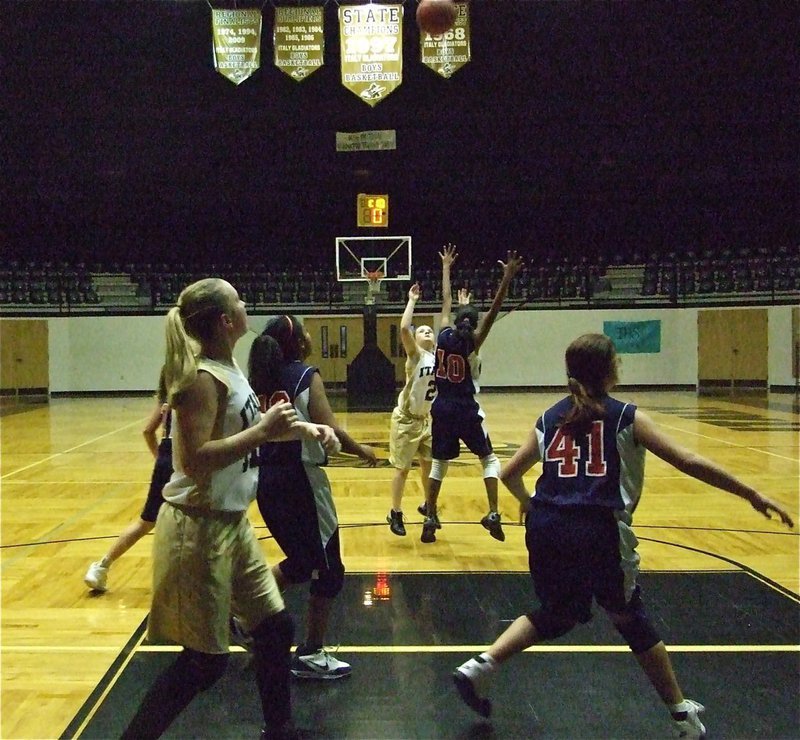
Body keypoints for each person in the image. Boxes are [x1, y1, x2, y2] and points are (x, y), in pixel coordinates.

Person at [452, 332, 795, 738]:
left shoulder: (548, 418)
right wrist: (749, 491)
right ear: (611, 371)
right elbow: (687, 460)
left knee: (559, 612)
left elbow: (508, 474)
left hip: (547, 527)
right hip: (597, 529)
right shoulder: (626, 416)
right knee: (631, 618)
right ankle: (682, 716)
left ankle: (478, 666)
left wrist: (528, 503)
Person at [121, 278, 338, 740]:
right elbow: (194, 459)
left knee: (276, 628)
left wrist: (305, 431)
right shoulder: (200, 377)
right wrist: (262, 433)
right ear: (225, 320)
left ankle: (279, 730)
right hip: (196, 529)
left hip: (232, 524)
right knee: (204, 663)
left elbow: (246, 434)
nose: (245, 306)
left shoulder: (228, 366)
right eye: (239, 301)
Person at [248, 314, 377, 680]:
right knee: (329, 569)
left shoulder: (257, 380)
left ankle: (240, 614)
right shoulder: (306, 375)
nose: (308, 335)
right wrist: (362, 450)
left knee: (303, 562)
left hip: (266, 480)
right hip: (301, 482)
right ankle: (310, 653)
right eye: (304, 330)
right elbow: (329, 428)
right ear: (297, 342)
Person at [420, 251, 524, 544]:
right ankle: (493, 512)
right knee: (488, 459)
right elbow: (493, 310)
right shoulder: (473, 343)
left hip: (441, 408)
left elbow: (445, 301)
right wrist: (506, 279)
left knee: (439, 463)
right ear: (474, 324)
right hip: (466, 408)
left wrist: (445, 268)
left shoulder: (442, 336)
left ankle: (430, 514)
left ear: (455, 320)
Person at [387, 244, 456, 536]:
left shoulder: (440, 354)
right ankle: (395, 512)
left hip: (428, 420)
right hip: (406, 418)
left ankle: (429, 506)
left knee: (430, 466)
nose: (428, 331)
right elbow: (404, 328)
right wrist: (412, 300)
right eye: (423, 330)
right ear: (416, 339)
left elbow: (447, 308)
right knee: (402, 469)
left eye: (431, 331)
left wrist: (445, 269)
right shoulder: (415, 356)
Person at [84, 367, 171, 592]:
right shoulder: (196, 394)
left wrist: (160, 459)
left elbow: (148, 431)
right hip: (184, 460)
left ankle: (102, 566)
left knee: (146, 521)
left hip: (167, 460)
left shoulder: (168, 402)